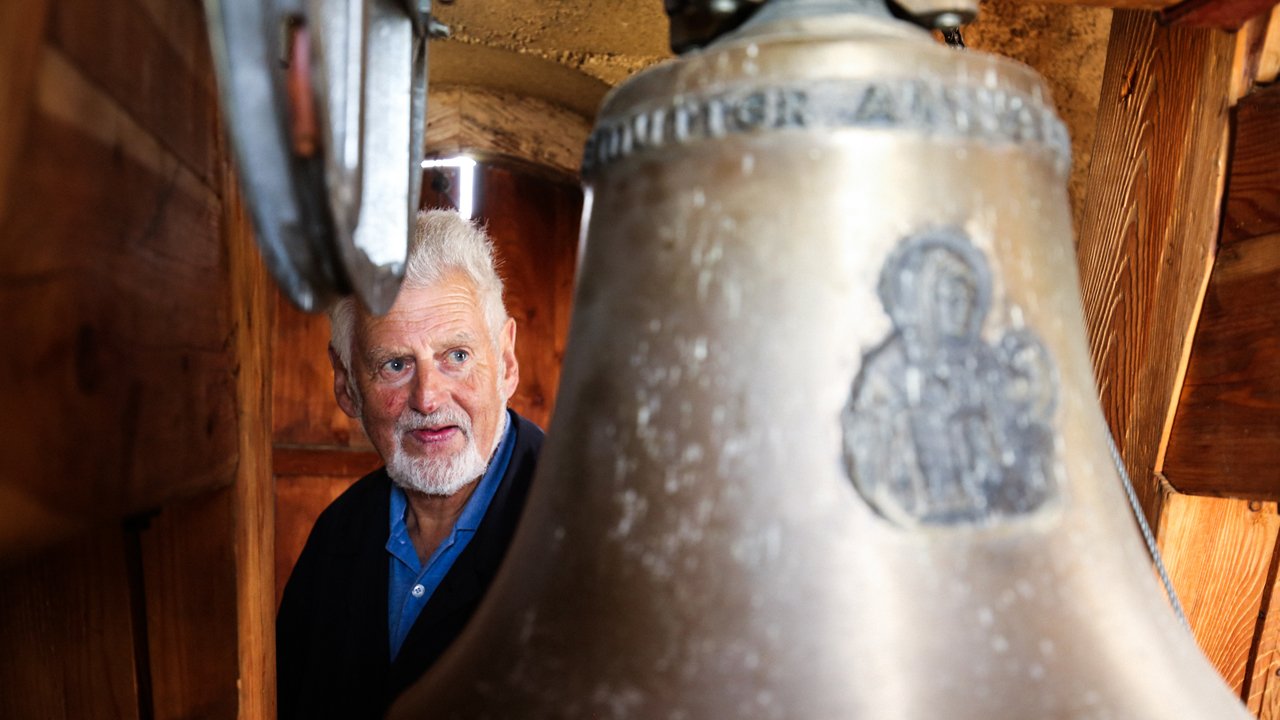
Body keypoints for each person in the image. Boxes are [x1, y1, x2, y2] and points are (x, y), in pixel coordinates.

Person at [276, 209, 544, 720]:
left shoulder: (588, 531)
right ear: (346, 385)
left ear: (505, 362)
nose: (427, 397)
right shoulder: (336, 536)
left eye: (456, 356)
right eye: (395, 365)